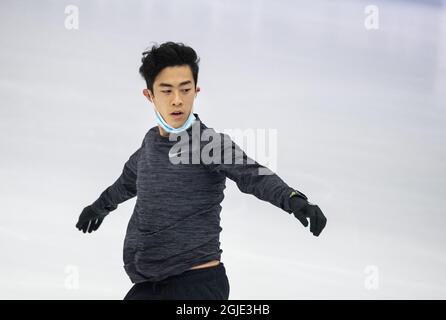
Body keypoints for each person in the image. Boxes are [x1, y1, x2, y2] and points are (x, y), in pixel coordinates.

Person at [75, 41, 327, 300]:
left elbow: (252, 174)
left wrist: (293, 198)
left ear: (196, 91)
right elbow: (126, 183)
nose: (177, 100)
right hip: (149, 286)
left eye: (185, 90)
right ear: (149, 95)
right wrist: (98, 207)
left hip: (196, 286)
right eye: (166, 90)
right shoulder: (149, 145)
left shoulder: (207, 143)